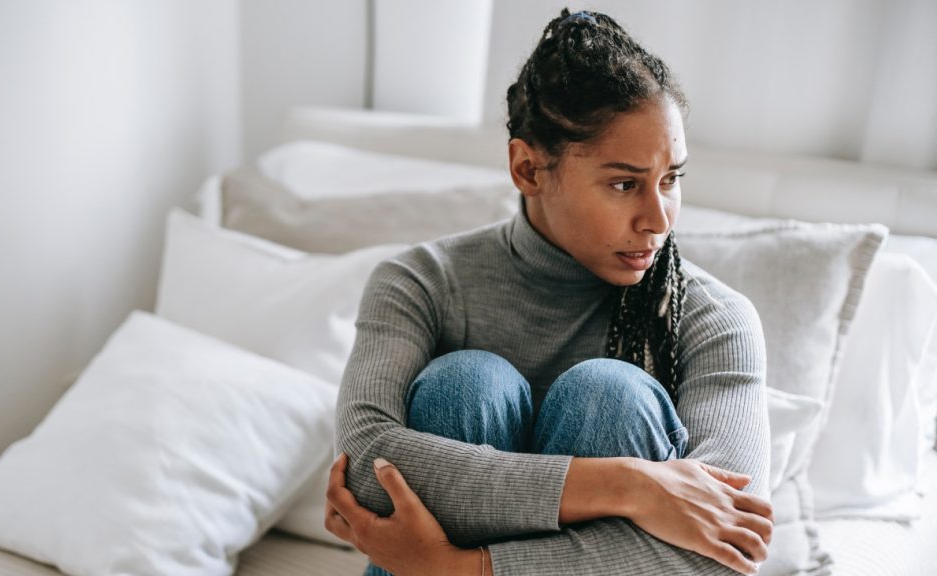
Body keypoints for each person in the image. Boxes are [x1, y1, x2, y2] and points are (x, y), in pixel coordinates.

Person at [324, 8, 773, 576]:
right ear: (528, 169)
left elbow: (732, 548)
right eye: (624, 183)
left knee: (610, 394)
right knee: (465, 384)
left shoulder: (714, 319)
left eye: (671, 179)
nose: (658, 218)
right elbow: (365, 463)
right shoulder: (421, 283)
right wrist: (632, 485)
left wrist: (465, 570)